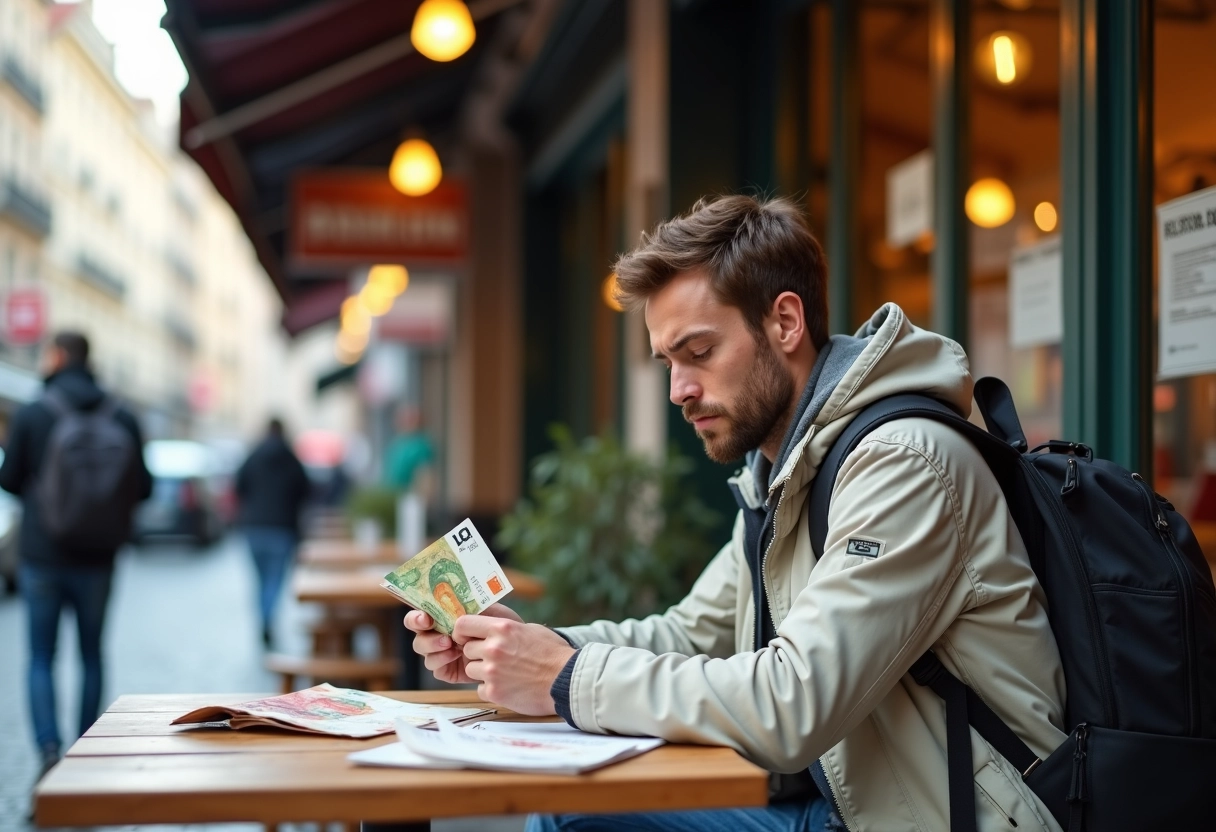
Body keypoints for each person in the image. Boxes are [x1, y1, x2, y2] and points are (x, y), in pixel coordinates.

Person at [407, 196, 1067, 831]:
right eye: (667, 362)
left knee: (574, 812)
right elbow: (695, 633)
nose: (679, 391)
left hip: (936, 818)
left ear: (785, 323)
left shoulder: (904, 465)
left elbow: (794, 703)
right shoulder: (784, 472)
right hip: (839, 805)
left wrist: (565, 676)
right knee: (574, 808)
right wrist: (533, 649)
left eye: (698, 354)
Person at [0, 331, 152, 789]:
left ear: (59, 356)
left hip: (42, 555)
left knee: (41, 657)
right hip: (99, 557)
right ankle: (87, 750)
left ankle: (50, 750)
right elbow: (143, 488)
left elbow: (7, 480)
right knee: (92, 654)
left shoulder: (34, 411)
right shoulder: (122, 414)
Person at [235, 418, 311, 647]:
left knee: (260, 581)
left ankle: (264, 619)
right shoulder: (291, 458)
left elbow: (238, 486)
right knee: (274, 581)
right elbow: (305, 490)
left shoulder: (253, 455)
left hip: (254, 528)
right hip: (282, 528)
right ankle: (267, 619)